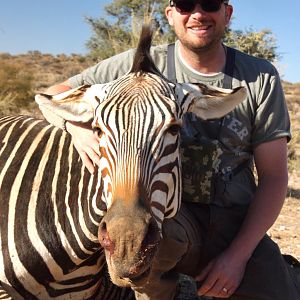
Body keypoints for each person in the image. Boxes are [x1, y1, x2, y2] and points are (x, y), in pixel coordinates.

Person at [41, 0, 300, 299]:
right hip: (174, 217)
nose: (198, 14)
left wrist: (237, 257)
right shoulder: (141, 64)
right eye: (186, 4)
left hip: (235, 219)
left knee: (280, 293)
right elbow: (52, 96)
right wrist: (77, 129)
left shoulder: (260, 77)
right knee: (142, 239)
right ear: (171, 14)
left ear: (227, 13)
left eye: (211, 4)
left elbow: (274, 176)